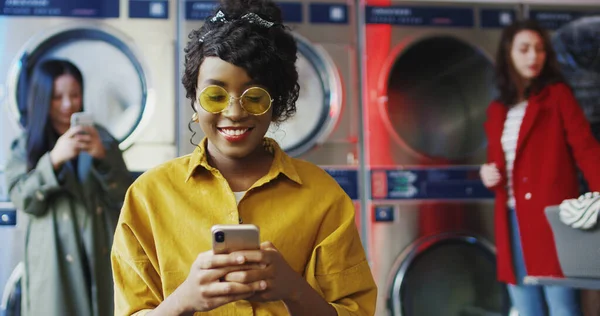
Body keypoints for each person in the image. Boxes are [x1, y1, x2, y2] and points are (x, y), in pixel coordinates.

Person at [110, 0, 377, 315]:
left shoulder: (323, 197)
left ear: (276, 105)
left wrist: (293, 289)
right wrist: (184, 300)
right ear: (195, 103)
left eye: (254, 97)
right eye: (215, 96)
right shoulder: (148, 196)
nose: (234, 112)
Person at [480, 19, 600, 316]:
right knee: (525, 306)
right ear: (509, 53)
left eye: (540, 49)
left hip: (551, 221)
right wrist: (487, 175)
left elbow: (586, 148)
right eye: (524, 49)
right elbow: (500, 165)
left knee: (563, 307)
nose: (533, 56)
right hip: (510, 220)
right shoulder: (498, 110)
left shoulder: (557, 96)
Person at [5, 59, 133, 316]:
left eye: (74, 95)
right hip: (53, 259)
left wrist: (103, 156)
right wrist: (52, 161)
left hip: (100, 249)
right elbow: (22, 198)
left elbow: (125, 195)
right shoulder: (25, 145)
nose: (68, 104)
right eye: (57, 97)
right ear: (42, 99)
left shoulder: (102, 138)